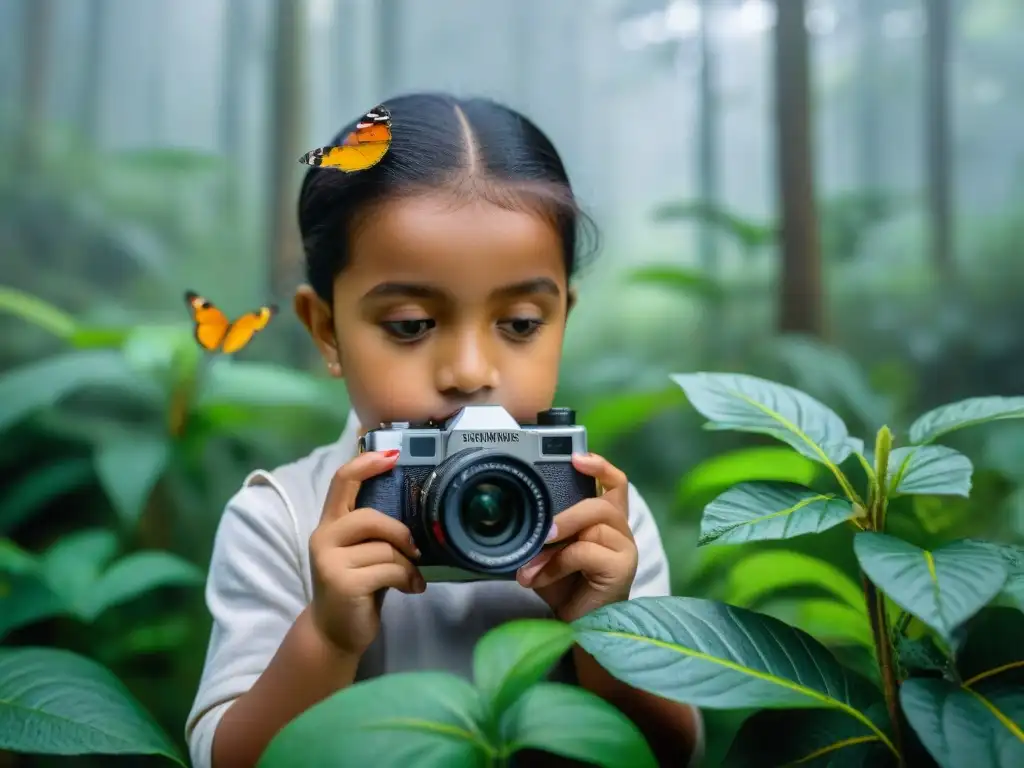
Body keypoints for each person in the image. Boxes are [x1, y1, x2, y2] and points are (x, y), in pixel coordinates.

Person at [185, 92, 704, 768]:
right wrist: (327, 637)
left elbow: (672, 754)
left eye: (520, 324)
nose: (468, 370)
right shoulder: (281, 519)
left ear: (562, 321)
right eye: (409, 325)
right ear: (326, 330)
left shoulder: (598, 518)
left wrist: (602, 627)